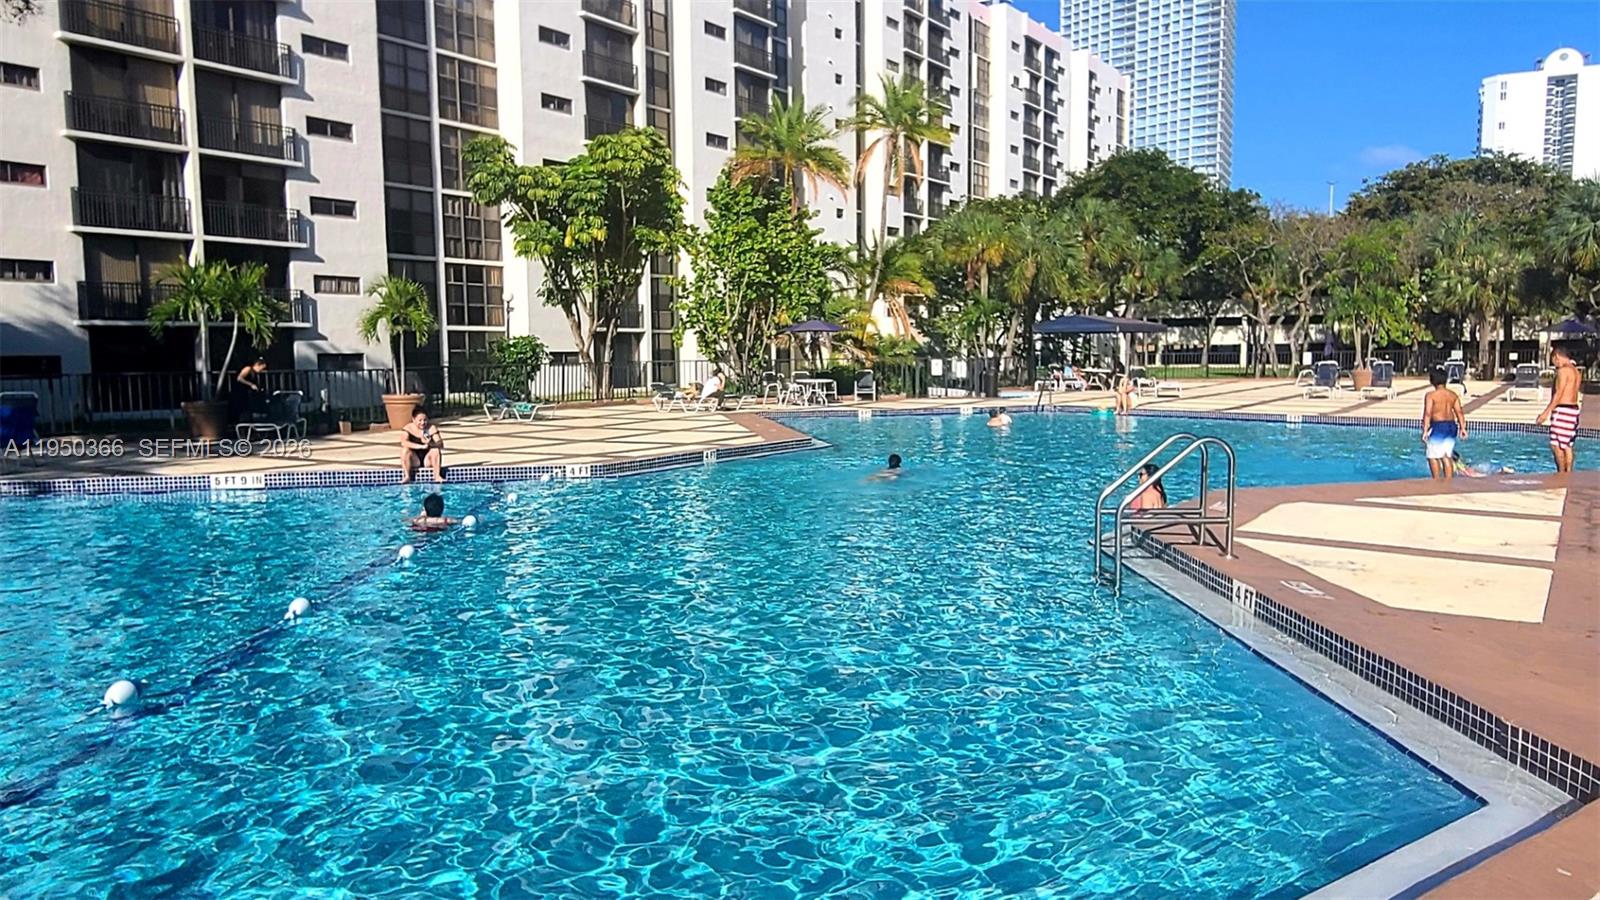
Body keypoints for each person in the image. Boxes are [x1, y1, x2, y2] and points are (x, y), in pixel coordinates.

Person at [1536, 345, 1581, 473]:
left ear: (1557, 356)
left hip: (1562, 409)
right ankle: (1568, 474)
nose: (1555, 365)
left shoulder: (1563, 371)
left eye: (1554, 361)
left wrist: (1545, 413)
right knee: (1567, 445)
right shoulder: (1576, 372)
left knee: (1555, 444)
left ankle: (1561, 473)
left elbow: (1559, 393)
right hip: (1573, 410)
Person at [1422, 365, 1467, 480]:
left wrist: (1425, 430)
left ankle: (1436, 480)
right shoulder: (1453, 395)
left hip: (1438, 426)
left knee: (1432, 455)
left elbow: (1428, 413)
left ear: (1432, 381)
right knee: (1446, 455)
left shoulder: (1431, 395)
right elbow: (1459, 412)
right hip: (1451, 426)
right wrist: (1463, 428)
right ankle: (1448, 480)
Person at [400, 406, 445, 484]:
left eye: (425, 420)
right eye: (420, 420)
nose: (423, 423)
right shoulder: (408, 428)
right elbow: (404, 442)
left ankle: (437, 476)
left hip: (427, 460)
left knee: (436, 450)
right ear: (413, 419)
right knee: (405, 450)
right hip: (415, 459)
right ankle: (407, 476)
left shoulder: (431, 428)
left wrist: (430, 443)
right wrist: (421, 446)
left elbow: (440, 444)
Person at [229, 358, 268, 424]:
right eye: (261, 368)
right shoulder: (248, 368)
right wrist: (251, 384)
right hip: (238, 391)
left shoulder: (253, 373)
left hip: (244, 393)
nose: (261, 370)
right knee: (240, 410)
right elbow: (239, 378)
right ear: (257, 365)